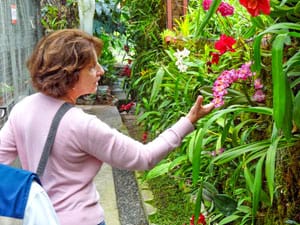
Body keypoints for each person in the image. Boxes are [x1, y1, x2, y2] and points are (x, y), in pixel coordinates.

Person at [0, 29, 214, 225]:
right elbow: (144, 157)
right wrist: (187, 122)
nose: (101, 71)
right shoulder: (81, 124)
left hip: (39, 219)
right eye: (92, 67)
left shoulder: (22, 109)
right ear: (70, 74)